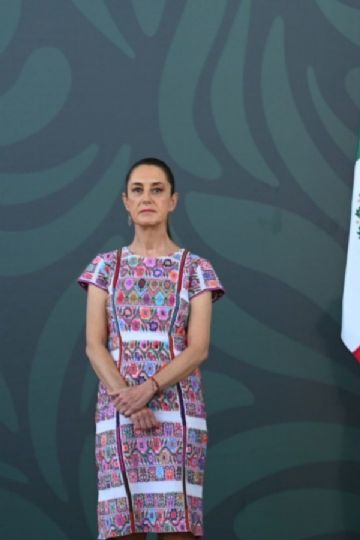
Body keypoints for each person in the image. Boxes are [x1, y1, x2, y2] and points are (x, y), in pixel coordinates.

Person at [78, 157, 224, 539]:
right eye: (138, 190)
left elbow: (198, 349)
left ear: (173, 201)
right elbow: (94, 345)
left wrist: (148, 390)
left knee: (180, 530)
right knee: (122, 528)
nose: (147, 198)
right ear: (125, 201)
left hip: (178, 415)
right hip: (119, 413)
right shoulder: (104, 268)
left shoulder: (197, 270)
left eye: (157, 190)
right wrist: (128, 399)